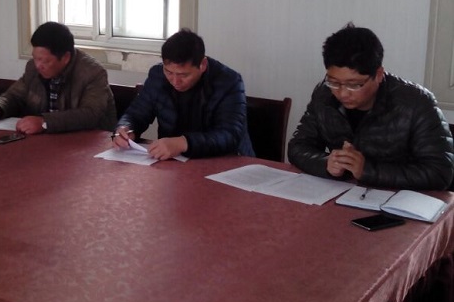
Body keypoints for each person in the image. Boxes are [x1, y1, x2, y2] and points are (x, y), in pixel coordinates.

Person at [288, 23, 454, 190]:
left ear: (379, 75)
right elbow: (298, 147)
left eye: (354, 85)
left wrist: (367, 170)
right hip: (346, 194)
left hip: (401, 199)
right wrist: (326, 163)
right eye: (334, 82)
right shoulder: (324, 95)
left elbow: (440, 172)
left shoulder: (416, 103)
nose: (342, 93)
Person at [112, 29, 254, 160]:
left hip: (226, 162)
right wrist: (125, 128)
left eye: (183, 75)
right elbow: (136, 114)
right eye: (169, 72)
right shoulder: (157, 75)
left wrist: (184, 143)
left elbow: (229, 135)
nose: (175, 81)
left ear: (203, 65)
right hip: (174, 161)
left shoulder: (229, 81)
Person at [0, 21, 116, 134]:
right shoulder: (32, 68)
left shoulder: (92, 72)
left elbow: (90, 115)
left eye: (45, 61)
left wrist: (44, 122)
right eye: (35, 58)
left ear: (65, 57)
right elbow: (15, 96)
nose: (38, 65)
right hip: (47, 141)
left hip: (86, 142)